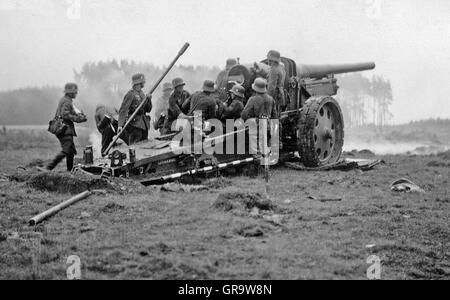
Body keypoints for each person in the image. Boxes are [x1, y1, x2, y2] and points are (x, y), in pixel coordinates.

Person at [40, 83, 87, 172]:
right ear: (70, 92)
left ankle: (70, 170)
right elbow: (65, 115)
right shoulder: (66, 101)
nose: (76, 93)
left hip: (65, 129)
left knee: (71, 151)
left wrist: (79, 116)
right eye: (74, 92)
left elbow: (68, 113)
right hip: (65, 129)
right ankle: (49, 167)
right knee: (66, 150)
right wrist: (78, 119)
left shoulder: (66, 100)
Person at [241, 78, 277, 157]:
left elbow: (244, 114)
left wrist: (243, 121)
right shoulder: (271, 99)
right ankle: (265, 151)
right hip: (267, 125)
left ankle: (255, 152)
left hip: (257, 125)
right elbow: (275, 116)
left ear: (255, 89)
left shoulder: (253, 99)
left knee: (251, 123)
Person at [118, 73, 152, 145]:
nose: (144, 83)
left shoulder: (142, 94)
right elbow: (123, 110)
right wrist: (120, 125)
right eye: (142, 82)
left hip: (143, 124)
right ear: (139, 82)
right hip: (134, 125)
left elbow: (148, 109)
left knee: (145, 145)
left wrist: (149, 100)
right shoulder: (130, 94)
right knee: (134, 147)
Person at [266, 50, 286, 114]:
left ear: (271, 60)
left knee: (271, 117)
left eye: (268, 59)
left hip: (274, 96)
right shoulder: (281, 67)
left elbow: (271, 87)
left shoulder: (273, 70)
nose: (268, 61)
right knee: (276, 116)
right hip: (280, 95)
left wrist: (267, 99)